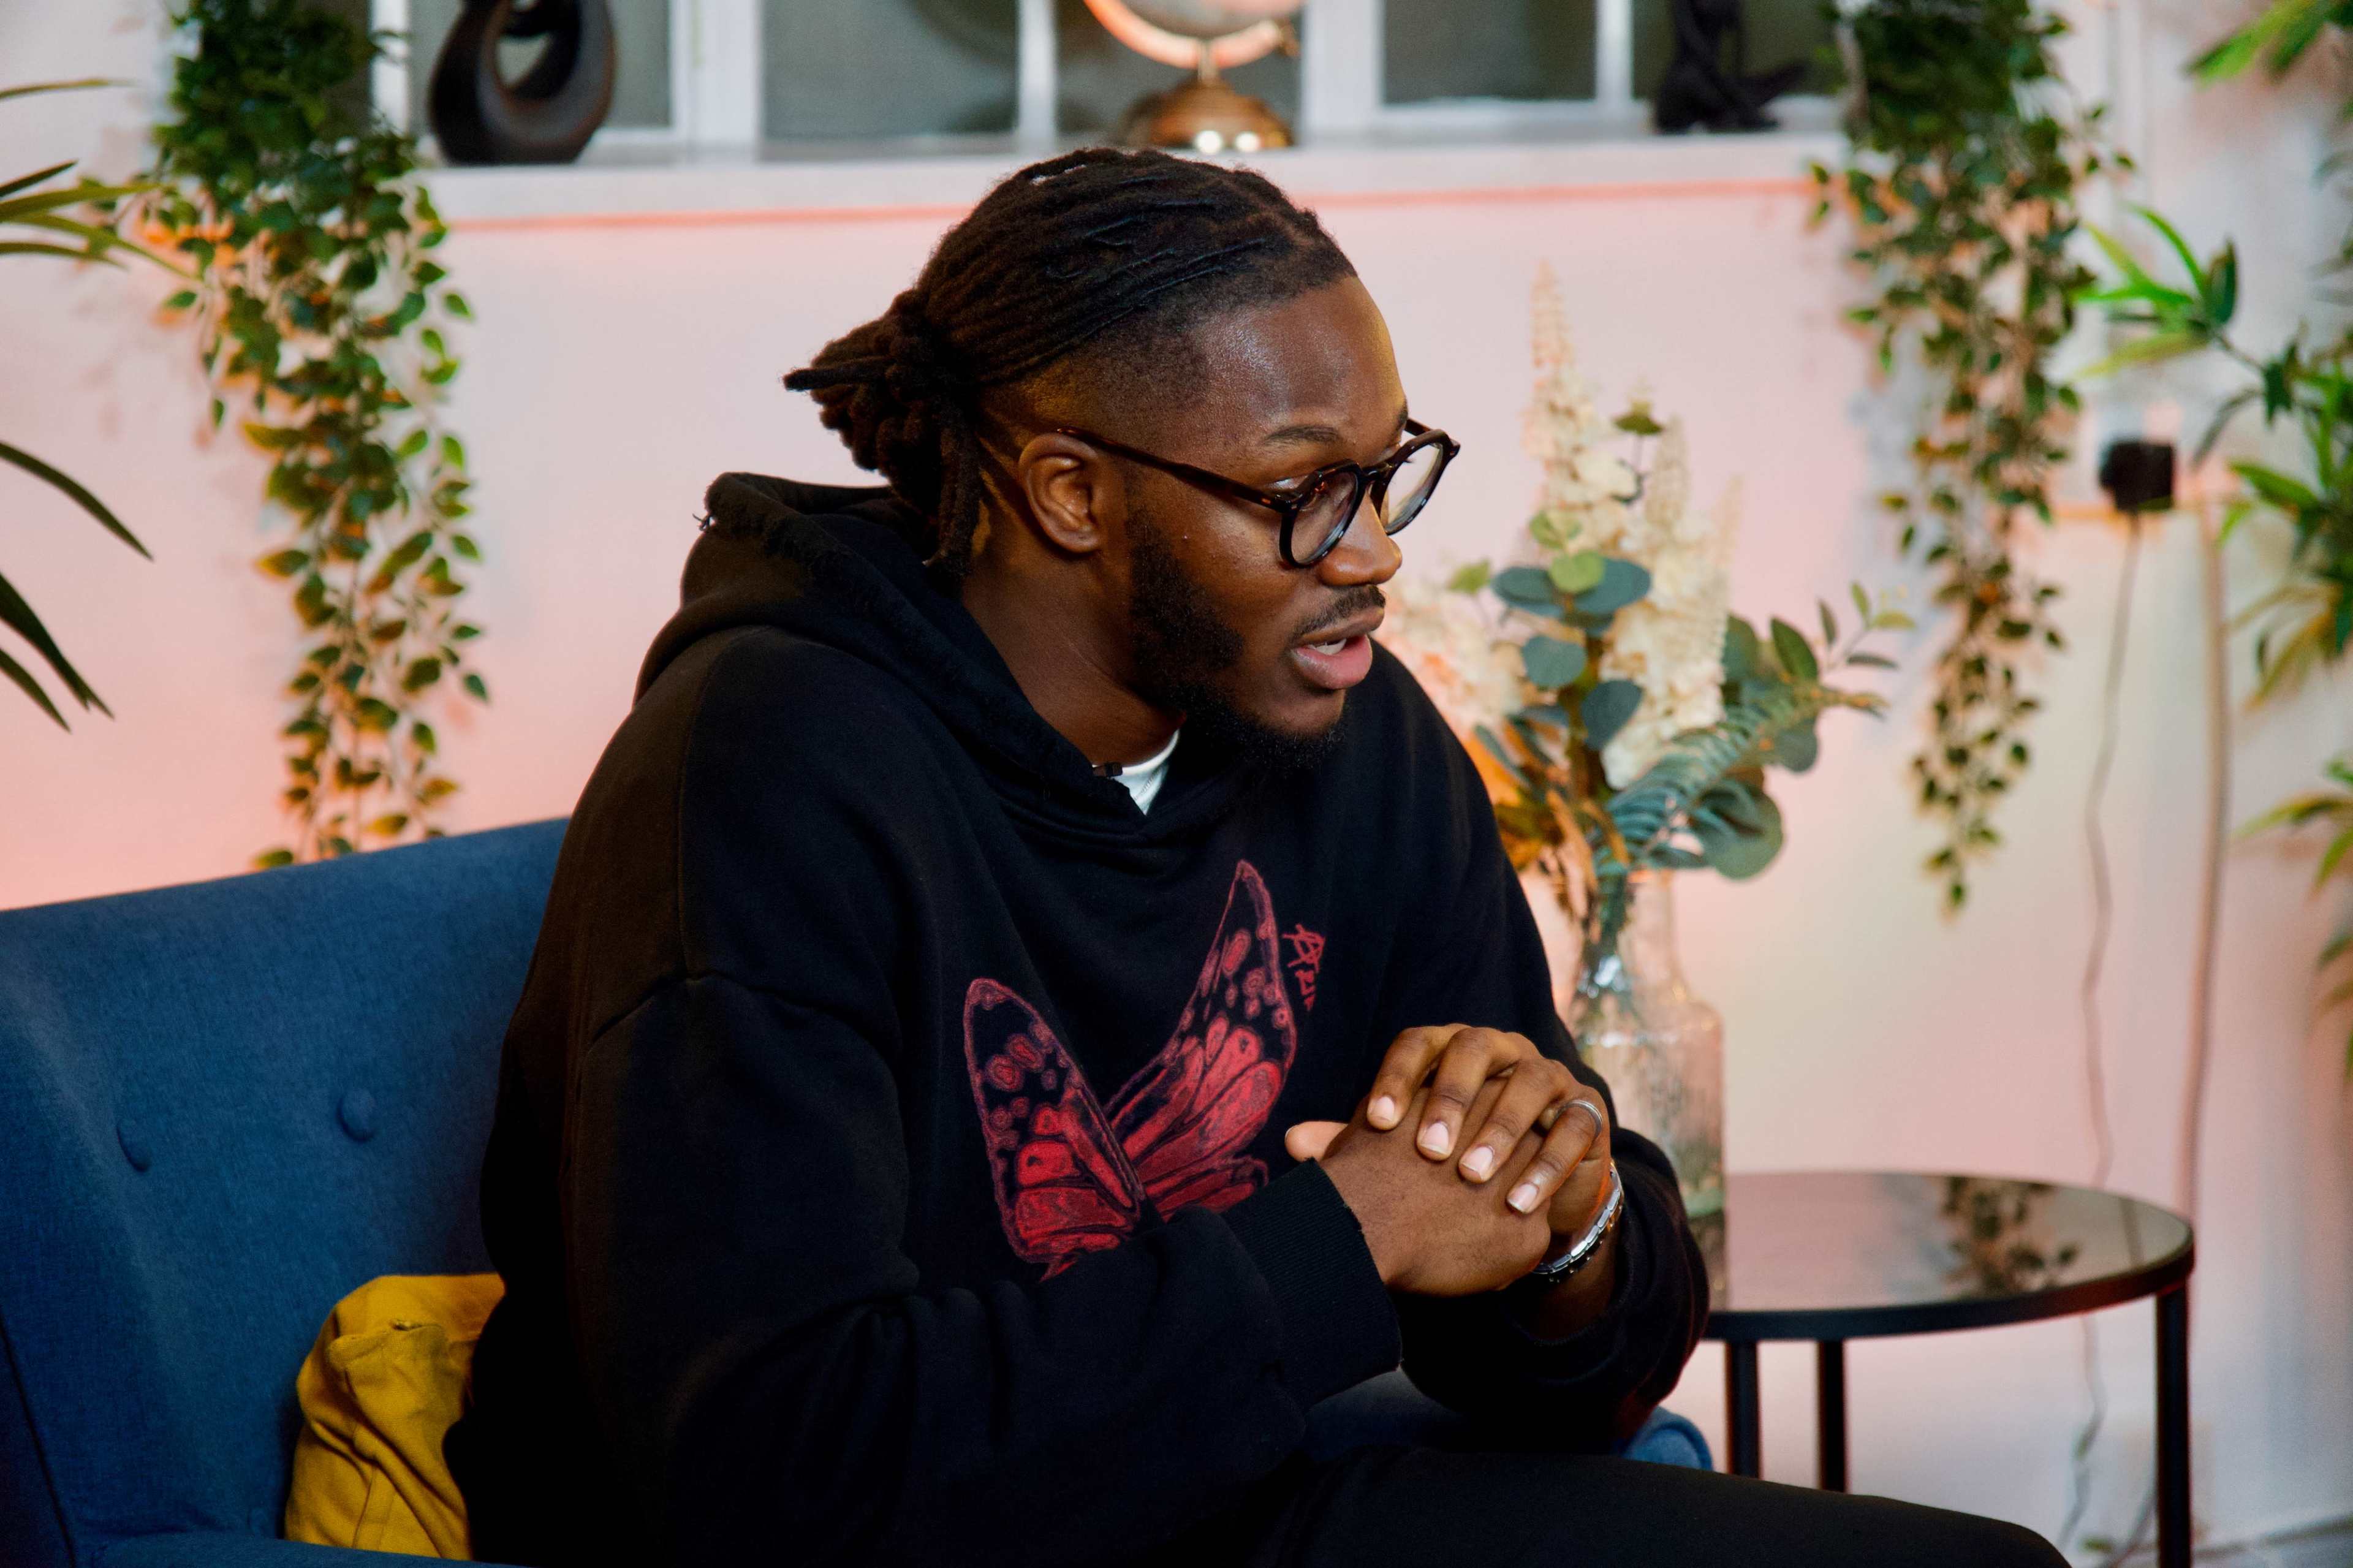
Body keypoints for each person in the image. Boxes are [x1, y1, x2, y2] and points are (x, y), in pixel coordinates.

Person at [444, 146, 2066, 1568]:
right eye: (1300, 493)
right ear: (1068, 492)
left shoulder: (1348, 737)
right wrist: (1355, 1239)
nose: (1371, 553)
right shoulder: (768, 775)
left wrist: (1565, 1226)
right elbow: (773, 1475)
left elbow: (1571, 1367)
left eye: (1386, 476)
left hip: (1229, 1498)